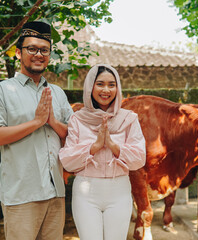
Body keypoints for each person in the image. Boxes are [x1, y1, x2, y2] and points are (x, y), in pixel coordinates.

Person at [0, 21, 73, 240]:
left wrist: (52, 121)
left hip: (56, 193)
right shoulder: (1, 92)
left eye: (44, 50)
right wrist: (36, 122)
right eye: (31, 48)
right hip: (21, 194)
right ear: (18, 52)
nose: (38, 54)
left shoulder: (58, 93)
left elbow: (74, 135)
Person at [59, 64, 146, 240]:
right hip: (86, 193)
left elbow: (139, 158)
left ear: (118, 88)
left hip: (119, 191)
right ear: (90, 86)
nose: (106, 90)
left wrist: (113, 146)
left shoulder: (129, 119)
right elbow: (67, 160)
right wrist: (95, 147)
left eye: (111, 84)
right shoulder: (77, 119)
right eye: (100, 84)